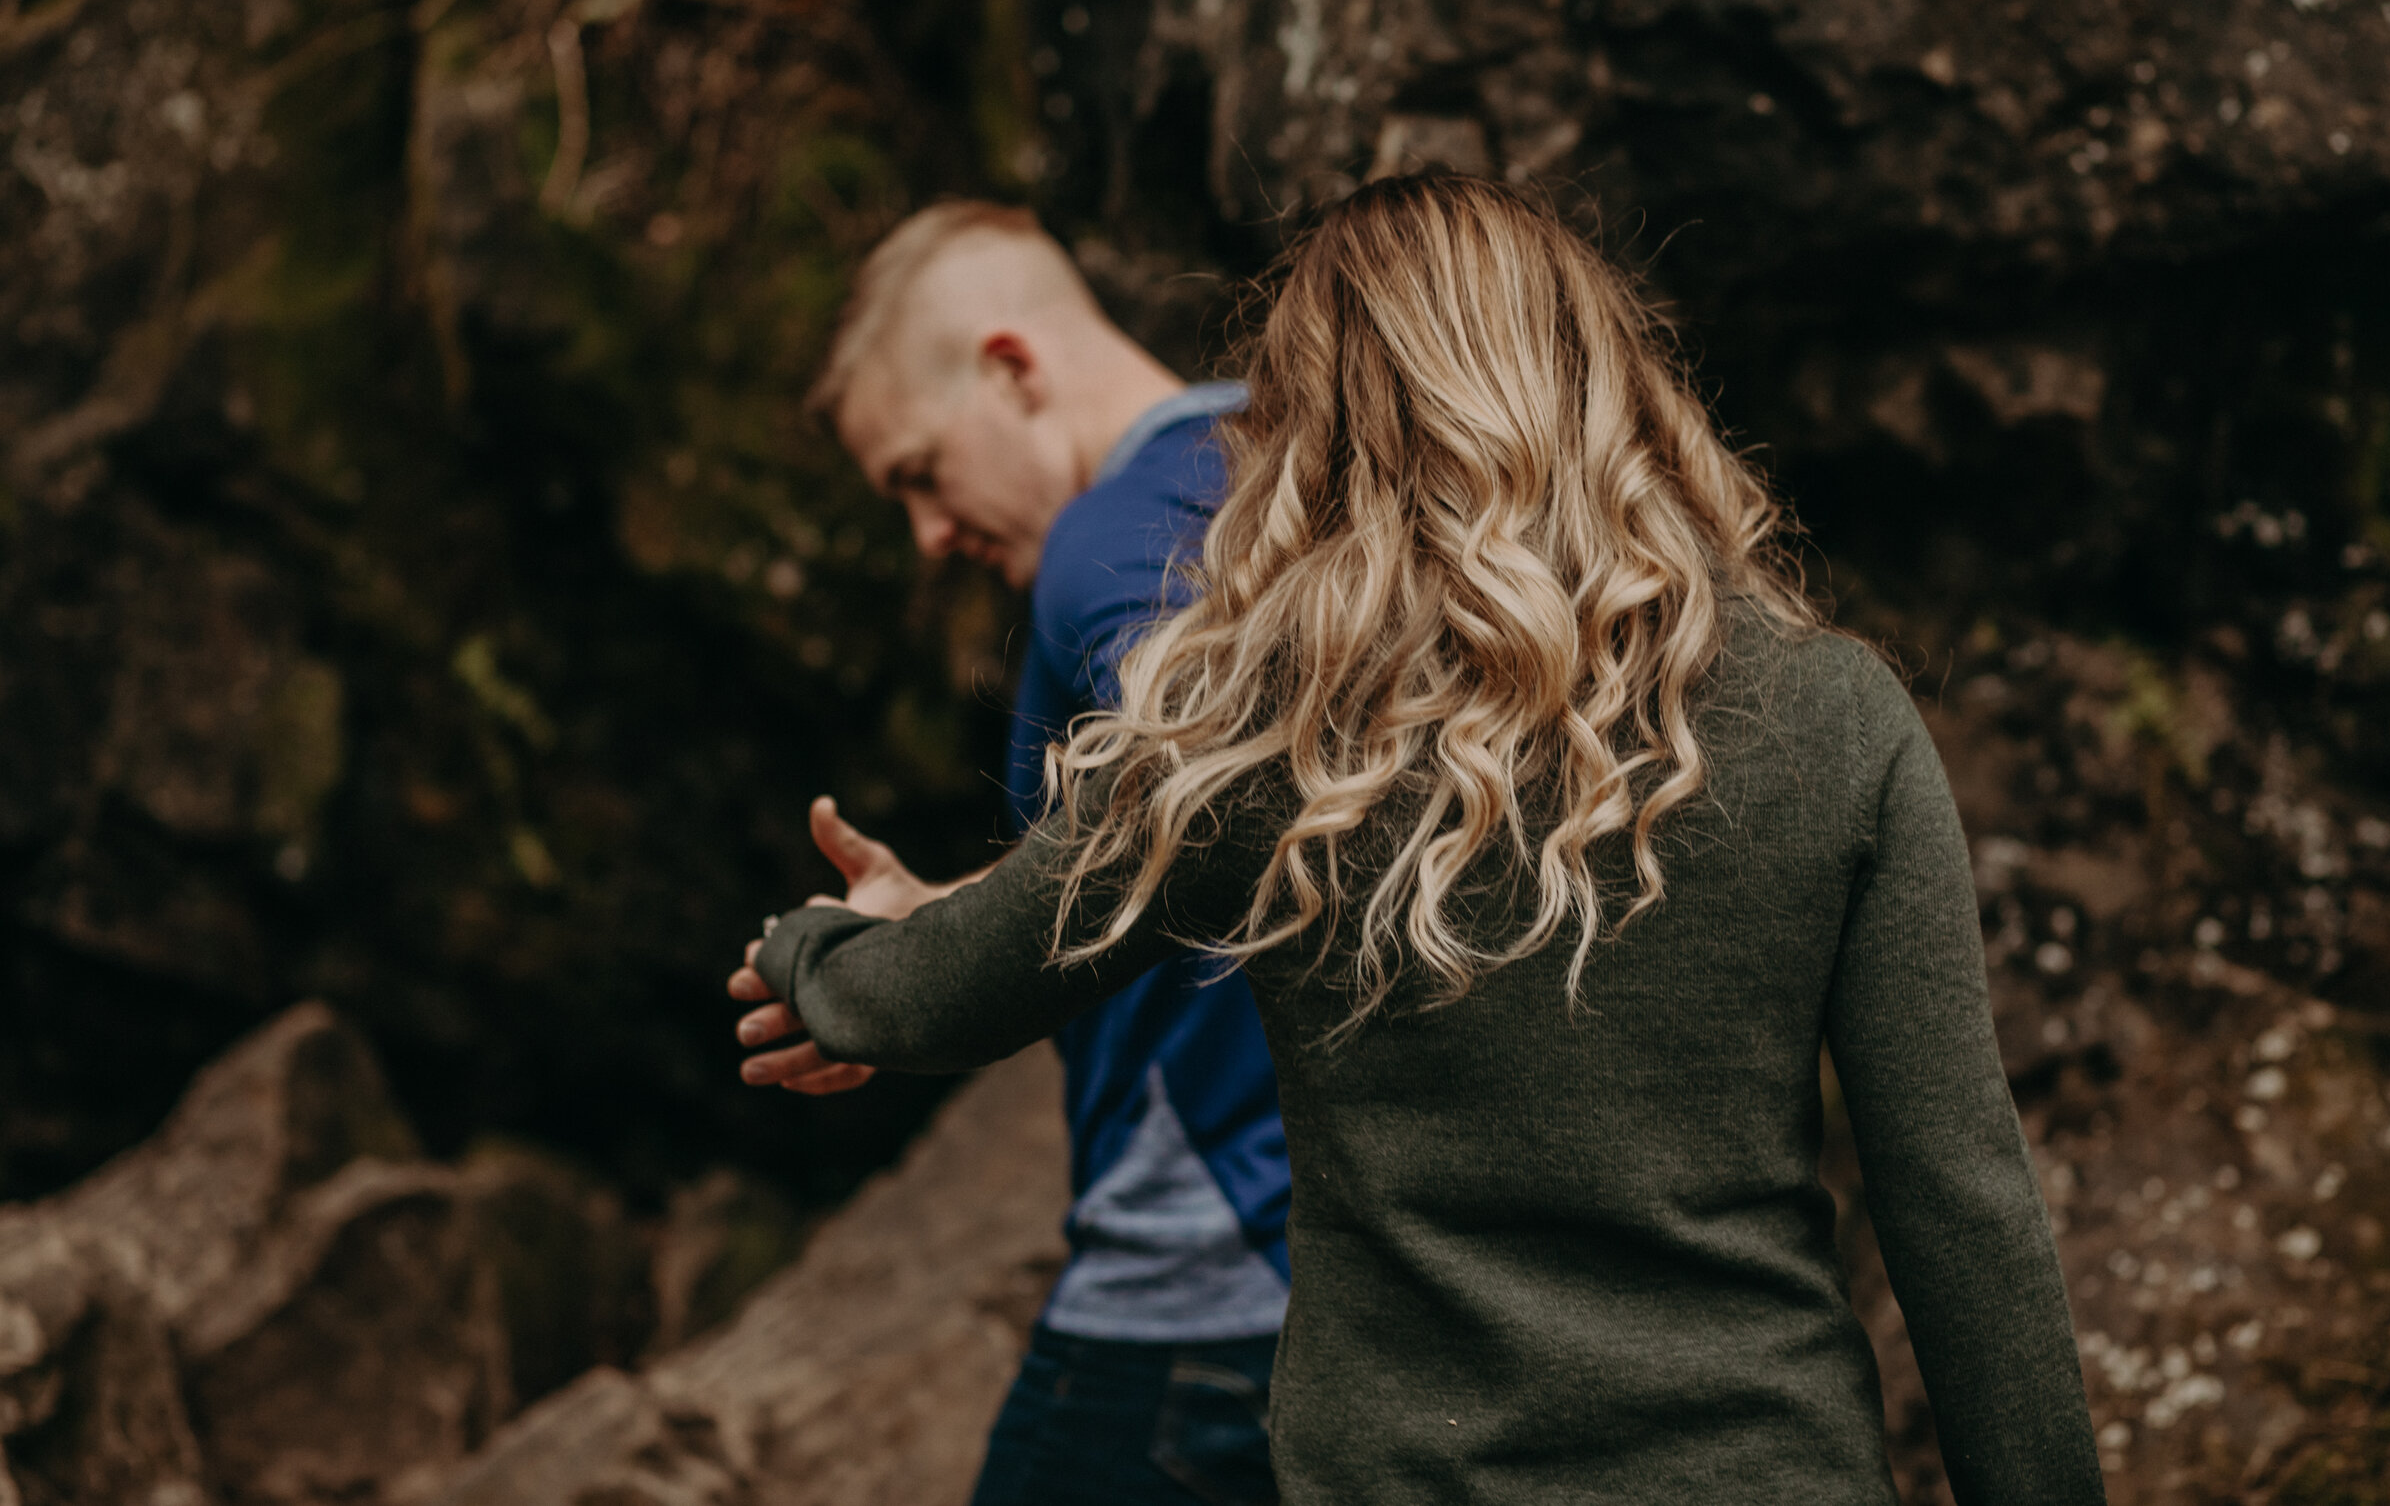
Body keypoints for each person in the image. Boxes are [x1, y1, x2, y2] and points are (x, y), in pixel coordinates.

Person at [732, 174, 2104, 1503]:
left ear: (1311, 429)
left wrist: (816, 952)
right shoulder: (1838, 718)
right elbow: (1961, 1210)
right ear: (1607, 382)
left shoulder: (1259, 741)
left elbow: (934, 991)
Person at [740, 201, 1289, 1506]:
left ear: (1012, 368)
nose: (927, 536)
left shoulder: (1112, 536)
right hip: (1374, 1283)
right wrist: (948, 911)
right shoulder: (1314, 475)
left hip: (1197, 1286)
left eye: (919, 473)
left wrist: (911, 982)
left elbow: (1218, 769)